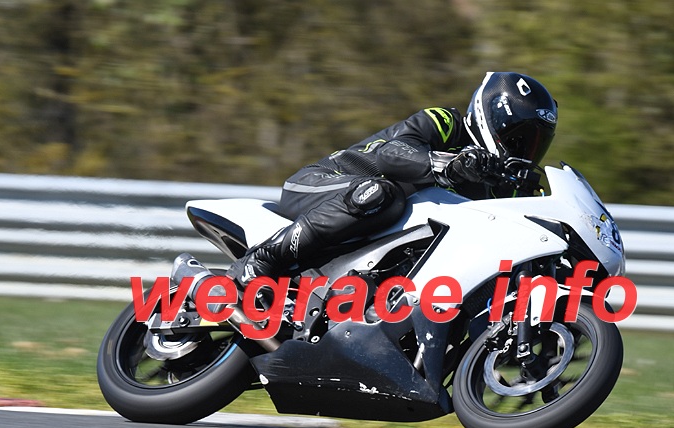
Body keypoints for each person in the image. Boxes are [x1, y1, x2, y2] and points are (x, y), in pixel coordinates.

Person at [228, 71, 558, 288]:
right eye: (519, 139)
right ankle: (263, 258)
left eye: (535, 144)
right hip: (322, 184)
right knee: (381, 194)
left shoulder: (495, 187)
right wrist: (450, 166)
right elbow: (391, 154)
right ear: (495, 118)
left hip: (365, 239)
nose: (525, 152)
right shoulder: (447, 123)